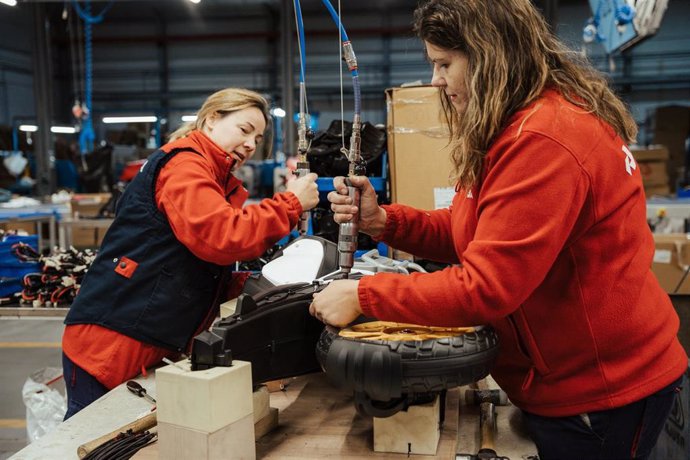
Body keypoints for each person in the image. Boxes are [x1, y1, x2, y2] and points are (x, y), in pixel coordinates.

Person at [309, 1, 688, 458]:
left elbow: (488, 287)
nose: (435, 80)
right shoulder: (518, 125)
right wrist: (386, 221)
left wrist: (363, 295)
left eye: (445, 64)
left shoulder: (543, 140)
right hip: (569, 377)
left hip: (601, 391)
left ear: (489, 54)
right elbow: (479, 234)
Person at [62, 87, 319, 419]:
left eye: (257, 137)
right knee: (93, 441)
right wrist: (291, 203)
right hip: (109, 345)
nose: (251, 144)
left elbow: (188, 258)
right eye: (244, 130)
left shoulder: (211, 176)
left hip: (143, 341)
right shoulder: (185, 165)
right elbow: (222, 237)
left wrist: (250, 284)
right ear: (212, 119)